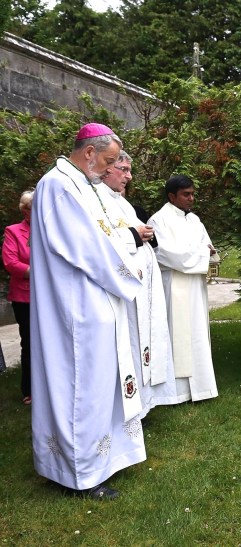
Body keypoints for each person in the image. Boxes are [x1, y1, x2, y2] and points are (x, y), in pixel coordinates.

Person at [30, 123, 145, 500]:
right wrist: (128, 275)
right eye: (110, 160)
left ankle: (101, 458)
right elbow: (88, 247)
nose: (111, 167)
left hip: (97, 298)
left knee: (98, 386)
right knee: (80, 387)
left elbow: (110, 233)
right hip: (76, 304)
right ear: (89, 152)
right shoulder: (59, 185)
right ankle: (80, 474)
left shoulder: (85, 184)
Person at [99, 151, 177, 415]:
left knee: (140, 342)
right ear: (106, 168)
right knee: (126, 345)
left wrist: (141, 234)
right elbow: (98, 242)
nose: (129, 176)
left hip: (140, 291)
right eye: (124, 169)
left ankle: (143, 402)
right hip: (121, 292)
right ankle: (128, 406)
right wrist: (135, 234)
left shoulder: (122, 202)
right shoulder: (96, 200)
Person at [148, 174, 218, 403]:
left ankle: (201, 387)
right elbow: (165, 253)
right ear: (171, 196)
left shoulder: (195, 220)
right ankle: (176, 392)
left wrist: (205, 253)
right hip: (174, 284)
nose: (191, 198)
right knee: (175, 333)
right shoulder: (159, 220)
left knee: (196, 332)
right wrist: (199, 254)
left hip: (194, 286)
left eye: (193, 194)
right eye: (186, 194)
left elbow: (208, 247)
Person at [2, 189, 33, 404]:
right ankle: (29, 389)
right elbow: (11, 263)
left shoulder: (50, 230)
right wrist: (38, 272)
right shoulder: (13, 231)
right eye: (34, 208)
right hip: (25, 297)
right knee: (30, 343)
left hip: (51, 297)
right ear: (25, 211)